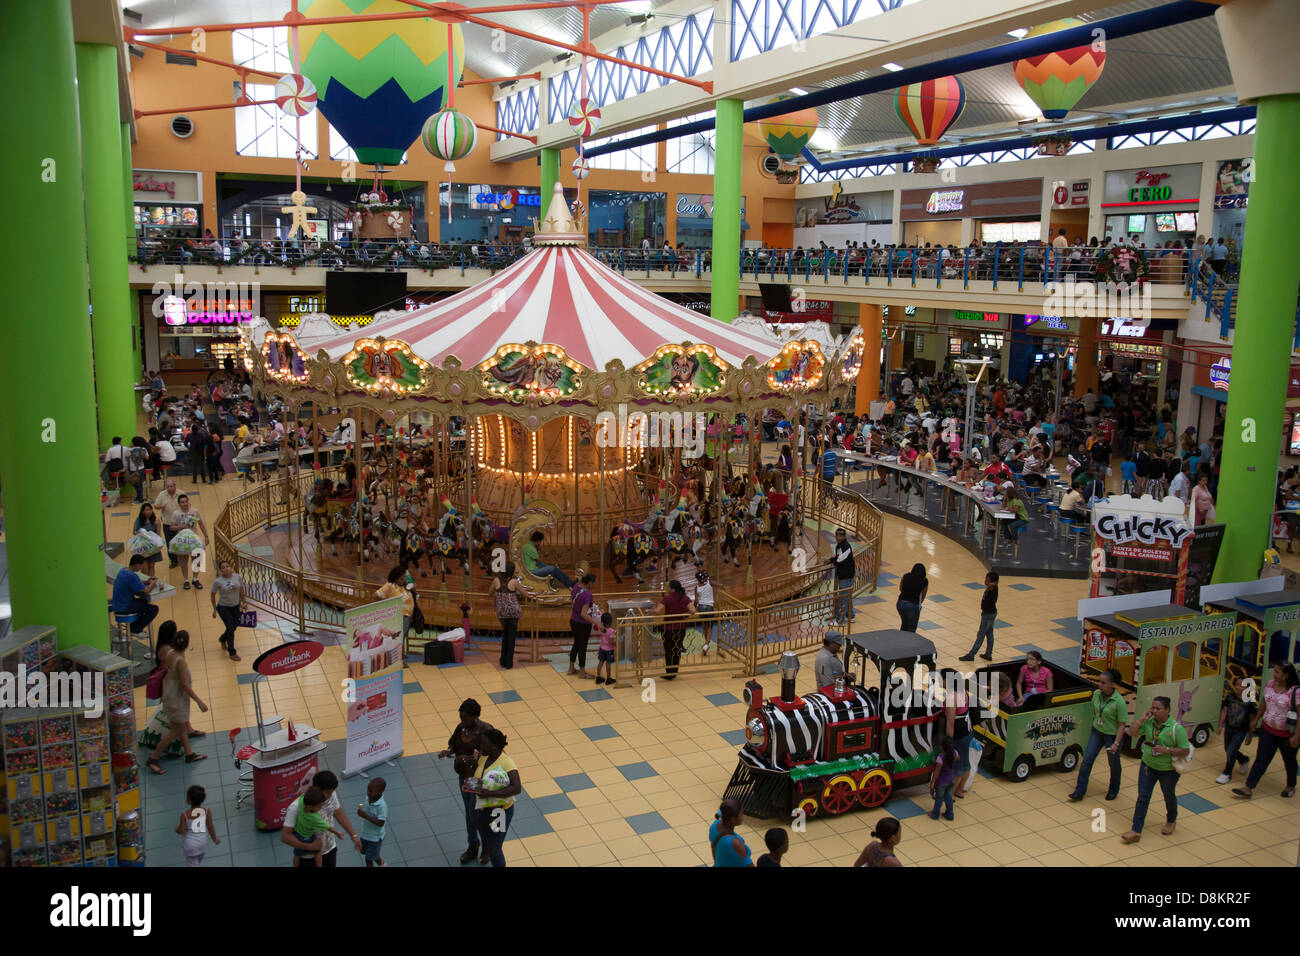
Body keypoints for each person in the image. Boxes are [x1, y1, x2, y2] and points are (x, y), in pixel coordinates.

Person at [1121, 696, 1190, 842]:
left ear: (1167, 710)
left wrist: (1167, 750)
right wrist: (1141, 719)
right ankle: (1136, 830)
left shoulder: (1175, 728)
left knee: (1168, 795)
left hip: (1168, 770)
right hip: (1148, 766)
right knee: (1143, 797)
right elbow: (1131, 733)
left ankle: (1171, 820)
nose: (1154, 711)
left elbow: (1185, 750)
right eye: (1153, 707)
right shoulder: (1149, 722)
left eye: (1158, 708)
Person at [1232, 662, 1299, 799]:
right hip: (1268, 730)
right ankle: (1248, 787)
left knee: (1289, 760)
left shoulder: (1295, 692)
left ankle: (1290, 785)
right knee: (1261, 758)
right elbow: (1264, 703)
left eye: (1277, 672)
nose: (1274, 674)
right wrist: (1256, 719)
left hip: (1287, 734)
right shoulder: (1270, 685)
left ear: (1286, 675)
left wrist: (1297, 736)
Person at [439, 699, 494, 865]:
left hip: (478, 778)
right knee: (470, 813)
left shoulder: (486, 730)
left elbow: (493, 755)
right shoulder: (461, 727)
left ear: (476, 716)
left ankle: (486, 847)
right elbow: (454, 745)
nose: (462, 721)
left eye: (465, 718)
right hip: (465, 777)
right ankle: (473, 845)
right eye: (461, 717)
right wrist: (448, 752)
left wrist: (471, 759)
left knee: (477, 813)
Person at [145, 629, 207, 774]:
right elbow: (185, 685)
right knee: (176, 730)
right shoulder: (181, 662)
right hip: (177, 700)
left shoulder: (170, 653)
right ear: (187, 644)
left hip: (169, 695)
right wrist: (199, 701)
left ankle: (189, 754)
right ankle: (153, 759)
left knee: (180, 728)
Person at [1068, 668, 1129, 802]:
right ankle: (1079, 791)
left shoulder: (1119, 702)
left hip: (1112, 736)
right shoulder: (1096, 694)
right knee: (1087, 760)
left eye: (1103, 683)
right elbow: (1095, 711)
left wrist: (1116, 743)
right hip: (1097, 731)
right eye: (1099, 682)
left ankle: (1114, 789)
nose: (1099, 685)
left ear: (1112, 684)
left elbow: (1122, 725)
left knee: (1113, 763)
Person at [280, 770, 361, 867]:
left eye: (332, 792)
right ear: (316, 787)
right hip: (308, 858)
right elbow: (285, 837)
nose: (330, 795)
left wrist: (353, 835)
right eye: (327, 792)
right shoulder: (296, 807)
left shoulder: (330, 794)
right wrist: (310, 847)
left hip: (330, 849)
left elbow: (338, 813)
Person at [466, 728, 522, 868]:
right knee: (489, 842)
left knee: (495, 850)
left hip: (500, 813)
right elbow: (477, 780)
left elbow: (517, 788)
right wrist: (469, 767)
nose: (481, 746)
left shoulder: (507, 762)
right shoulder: (483, 757)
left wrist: (489, 794)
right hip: (481, 811)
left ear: (495, 746)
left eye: (484, 743)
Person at [1216, 676, 1256, 784]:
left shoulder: (1250, 703)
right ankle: (1243, 759)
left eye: (1243, 686)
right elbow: (1224, 711)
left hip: (1240, 730)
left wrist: (1249, 735)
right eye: (1237, 685)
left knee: (1231, 751)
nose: (1239, 688)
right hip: (1229, 727)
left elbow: (1252, 720)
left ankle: (1227, 773)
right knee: (1227, 749)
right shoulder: (1229, 697)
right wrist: (1220, 726)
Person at [289, 786, 341, 866]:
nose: (320, 808)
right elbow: (328, 827)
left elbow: (303, 794)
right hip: (308, 838)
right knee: (318, 851)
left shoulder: (301, 804)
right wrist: (338, 833)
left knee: (297, 855)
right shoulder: (314, 818)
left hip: (298, 836)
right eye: (319, 806)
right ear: (310, 807)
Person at [654, 579, 695, 680]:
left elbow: (657, 611)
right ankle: (675, 671)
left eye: (668, 587)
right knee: (677, 650)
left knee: (669, 650)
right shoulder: (684, 598)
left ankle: (669, 673)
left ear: (672, 589)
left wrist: (649, 611)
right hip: (680, 629)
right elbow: (693, 610)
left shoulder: (667, 599)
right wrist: (684, 616)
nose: (667, 589)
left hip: (668, 629)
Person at [111, 554, 161, 634]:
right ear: (137, 564)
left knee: (144, 602)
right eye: (141, 565)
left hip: (118, 604)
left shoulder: (124, 571)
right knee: (153, 609)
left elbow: (135, 582)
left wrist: (147, 581)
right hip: (125, 607)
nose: (141, 568)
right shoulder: (131, 575)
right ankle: (135, 629)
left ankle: (135, 626)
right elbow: (146, 590)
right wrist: (153, 583)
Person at [168, 494, 208, 589]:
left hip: (194, 540)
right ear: (179, 504)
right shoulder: (176, 513)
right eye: (182, 502)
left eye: (186, 502)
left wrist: (206, 536)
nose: (185, 504)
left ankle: (195, 579)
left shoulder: (194, 511)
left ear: (188, 502)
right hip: (182, 541)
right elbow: (171, 527)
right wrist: (181, 526)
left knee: (197, 559)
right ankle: (186, 580)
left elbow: (201, 524)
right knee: (183, 561)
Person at [174, 784, 220, 867]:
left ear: (189, 800)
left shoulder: (185, 815)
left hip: (190, 846)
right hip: (202, 843)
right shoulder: (206, 811)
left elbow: (181, 830)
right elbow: (210, 827)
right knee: (200, 860)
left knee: (192, 863)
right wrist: (215, 838)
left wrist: (176, 829)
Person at [209, 559, 245, 662]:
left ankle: (222, 638)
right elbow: (212, 595)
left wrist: (244, 602)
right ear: (221, 570)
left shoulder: (237, 577)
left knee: (234, 627)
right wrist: (214, 609)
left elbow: (241, 590)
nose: (226, 569)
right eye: (223, 568)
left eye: (227, 566)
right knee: (230, 627)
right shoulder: (218, 581)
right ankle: (232, 652)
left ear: (231, 567)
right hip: (224, 608)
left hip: (235, 606)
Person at [960, 571, 998, 661]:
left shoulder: (993, 588)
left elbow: (993, 585)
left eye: (987, 580)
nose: (985, 581)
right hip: (991, 614)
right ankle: (988, 654)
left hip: (988, 615)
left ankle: (971, 654)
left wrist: (992, 583)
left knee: (981, 635)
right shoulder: (991, 588)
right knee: (989, 634)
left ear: (993, 582)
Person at [567, 572, 599, 679]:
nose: (595, 586)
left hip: (573, 621)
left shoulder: (576, 586)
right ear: (590, 583)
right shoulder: (588, 595)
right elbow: (583, 614)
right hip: (583, 624)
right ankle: (582, 672)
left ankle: (571, 668)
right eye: (594, 583)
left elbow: (572, 599)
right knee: (582, 647)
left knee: (576, 644)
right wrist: (596, 623)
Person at [491, 561, 522, 669]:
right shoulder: (514, 582)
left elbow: (489, 592)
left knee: (505, 635)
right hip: (513, 613)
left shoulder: (496, 580)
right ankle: (509, 662)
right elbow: (525, 593)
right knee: (511, 637)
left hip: (501, 612)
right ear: (511, 571)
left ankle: (502, 660)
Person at [376, 565, 415, 648]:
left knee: (401, 638)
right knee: (398, 639)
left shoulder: (403, 586)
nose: (404, 579)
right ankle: (397, 657)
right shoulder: (390, 585)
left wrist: (409, 586)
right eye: (402, 578)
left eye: (404, 577)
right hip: (398, 616)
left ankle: (399, 655)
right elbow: (376, 596)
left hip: (406, 616)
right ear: (396, 578)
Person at [355, 777, 389, 868]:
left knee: (368, 858)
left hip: (375, 837)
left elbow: (381, 823)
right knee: (374, 855)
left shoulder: (382, 806)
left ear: (380, 792)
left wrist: (365, 816)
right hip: (365, 834)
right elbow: (366, 812)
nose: (368, 793)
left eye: (371, 791)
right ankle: (382, 864)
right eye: (368, 790)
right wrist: (362, 812)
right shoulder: (367, 798)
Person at [708, 799, 752, 867]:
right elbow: (749, 865)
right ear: (733, 819)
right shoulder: (735, 843)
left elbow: (713, 848)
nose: (743, 816)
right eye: (741, 814)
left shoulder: (714, 825)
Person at [154, 479, 184, 569]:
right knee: (170, 542)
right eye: (168, 487)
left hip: (180, 523)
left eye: (171, 486)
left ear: (175, 486)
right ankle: (173, 560)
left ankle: (181, 558)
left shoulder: (181, 493)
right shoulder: (162, 494)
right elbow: (155, 505)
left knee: (180, 541)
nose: (170, 488)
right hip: (167, 523)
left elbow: (187, 504)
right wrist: (161, 507)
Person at [928, 735, 959, 821]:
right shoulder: (955, 753)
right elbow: (958, 758)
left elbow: (937, 772)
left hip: (942, 782)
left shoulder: (940, 758)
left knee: (939, 798)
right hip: (952, 779)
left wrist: (932, 782)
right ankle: (950, 815)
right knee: (949, 797)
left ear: (942, 747)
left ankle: (935, 814)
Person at [130, 503, 164, 576]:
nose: (148, 511)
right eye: (146, 510)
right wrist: (142, 534)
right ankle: (145, 582)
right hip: (143, 547)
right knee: (144, 566)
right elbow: (134, 532)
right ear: (142, 511)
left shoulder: (156, 521)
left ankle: (151, 581)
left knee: (152, 565)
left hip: (152, 547)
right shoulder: (138, 521)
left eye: (150, 510)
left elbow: (159, 534)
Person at [832, 527, 855, 624]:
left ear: (844, 537)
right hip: (844, 575)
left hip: (846, 576)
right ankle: (851, 616)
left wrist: (831, 560)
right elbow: (838, 557)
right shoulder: (839, 545)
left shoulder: (846, 546)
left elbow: (839, 560)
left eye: (840, 535)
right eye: (837, 535)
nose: (838, 537)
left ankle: (840, 620)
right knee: (847, 596)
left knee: (842, 598)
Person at [896, 562, 928, 632]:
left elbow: (900, 588)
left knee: (904, 625)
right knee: (911, 628)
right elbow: (923, 596)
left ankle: (901, 640)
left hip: (900, 603)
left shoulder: (905, 576)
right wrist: (918, 606)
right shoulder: (924, 581)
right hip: (913, 605)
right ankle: (909, 642)